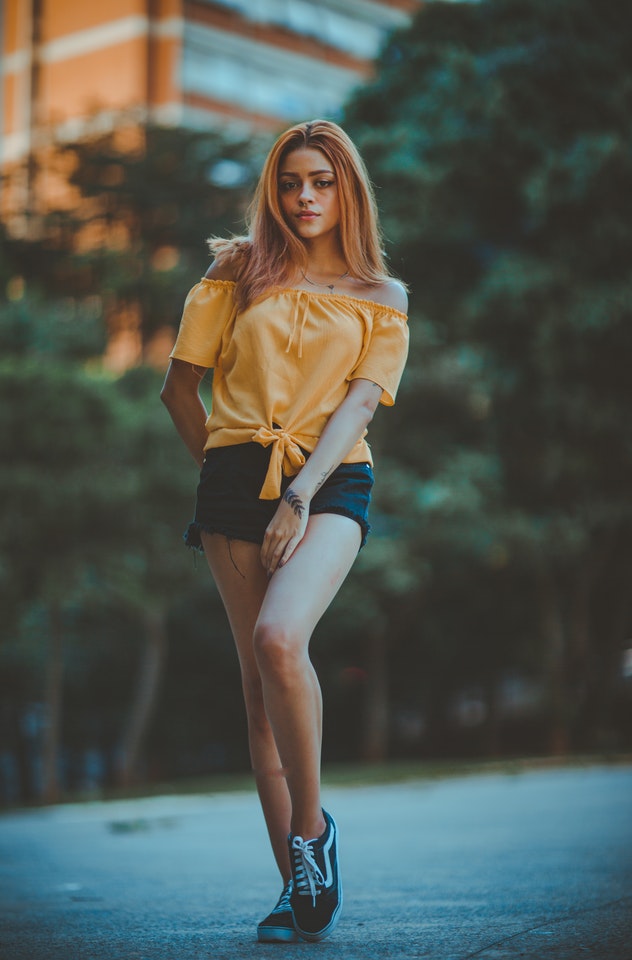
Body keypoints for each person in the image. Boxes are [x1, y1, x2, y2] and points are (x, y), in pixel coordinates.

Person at [161, 119, 409, 943]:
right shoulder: (236, 274)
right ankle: (291, 889)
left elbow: (361, 403)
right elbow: (178, 391)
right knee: (257, 703)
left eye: (323, 183)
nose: (305, 198)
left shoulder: (382, 295)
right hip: (232, 482)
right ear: (275, 190)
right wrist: (221, 476)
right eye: (292, 182)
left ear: (349, 191)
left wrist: (299, 495)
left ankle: (314, 836)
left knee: (279, 640)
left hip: (331, 479)